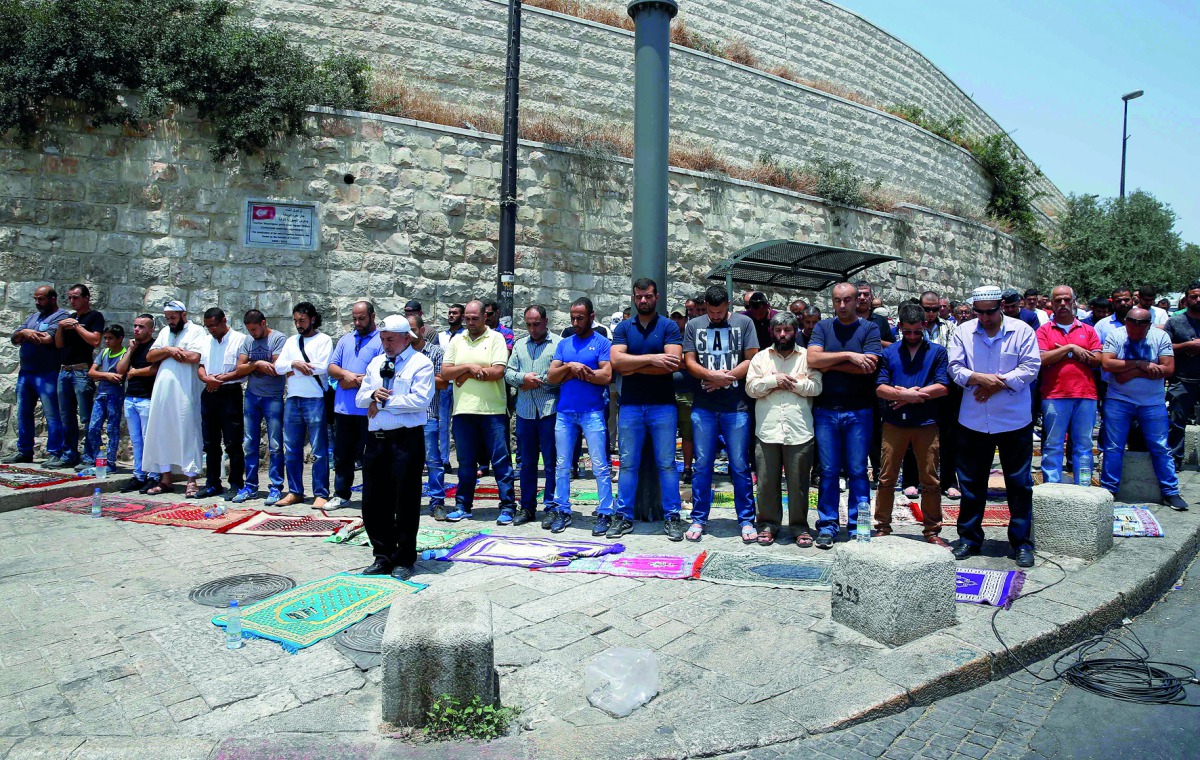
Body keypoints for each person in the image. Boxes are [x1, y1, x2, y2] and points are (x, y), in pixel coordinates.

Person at [947, 286, 1041, 568]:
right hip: (974, 419)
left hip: (1013, 420)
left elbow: (1030, 367)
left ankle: (1022, 542)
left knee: (1019, 483)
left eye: (991, 312)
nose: (986, 318)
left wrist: (990, 385)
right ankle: (969, 537)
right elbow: (955, 368)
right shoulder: (963, 332)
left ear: (1001, 306)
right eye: (980, 313)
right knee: (973, 483)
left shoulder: (1022, 330)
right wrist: (983, 379)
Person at [357, 315, 436, 581]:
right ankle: (383, 555)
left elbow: (420, 401)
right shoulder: (376, 363)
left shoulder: (420, 363)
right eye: (382, 339)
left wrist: (380, 403)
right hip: (376, 440)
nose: (386, 344)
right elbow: (359, 398)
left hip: (405, 440)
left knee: (405, 500)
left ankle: (404, 558)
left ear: (406, 338)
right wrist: (370, 396)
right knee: (373, 501)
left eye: (390, 339)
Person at [807, 282, 882, 549]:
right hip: (826, 411)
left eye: (847, 300)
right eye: (837, 300)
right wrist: (850, 355)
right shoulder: (823, 327)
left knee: (858, 472)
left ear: (856, 301)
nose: (842, 305)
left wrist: (831, 364)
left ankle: (857, 526)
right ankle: (827, 525)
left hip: (859, 412)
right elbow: (813, 360)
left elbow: (869, 368)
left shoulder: (869, 328)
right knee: (827, 472)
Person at [682, 285, 759, 542]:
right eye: (711, 311)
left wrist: (723, 379)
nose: (715, 316)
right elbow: (689, 362)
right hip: (704, 407)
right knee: (702, 464)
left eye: (719, 311)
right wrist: (710, 376)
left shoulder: (744, 323)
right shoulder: (694, 325)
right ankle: (698, 518)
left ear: (728, 305)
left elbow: (752, 360)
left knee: (739, 465)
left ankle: (746, 519)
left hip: (735, 407)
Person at [610, 278, 685, 540]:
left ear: (657, 297)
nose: (643, 300)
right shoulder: (623, 327)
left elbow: (674, 363)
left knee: (666, 464)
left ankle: (673, 516)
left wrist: (634, 365)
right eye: (639, 296)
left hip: (663, 406)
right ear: (634, 297)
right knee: (628, 464)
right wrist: (653, 359)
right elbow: (617, 363)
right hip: (630, 405)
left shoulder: (668, 327)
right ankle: (623, 517)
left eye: (648, 296)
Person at [875, 304, 950, 545]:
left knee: (929, 479)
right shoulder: (890, 353)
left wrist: (910, 395)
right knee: (886, 477)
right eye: (907, 332)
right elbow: (880, 387)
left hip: (926, 423)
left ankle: (932, 530)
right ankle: (883, 527)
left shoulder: (937, 352)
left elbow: (943, 386)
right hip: (894, 423)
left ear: (924, 327)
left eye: (917, 332)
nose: (912, 337)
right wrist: (905, 396)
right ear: (900, 328)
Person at [746, 311, 821, 546]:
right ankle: (768, 525)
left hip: (799, 431)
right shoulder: (760, 358)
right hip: (768, 431)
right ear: (772, 332)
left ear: (795, 331)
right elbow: (751, 388)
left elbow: (816, 387)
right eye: (778, 330)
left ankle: (799, 527)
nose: (782, 335)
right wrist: (772, 381)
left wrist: (792, 383)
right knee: (767, 483)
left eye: (787, 330)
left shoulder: (808, 357)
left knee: (798, 484)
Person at [1100, 307, 1188, 510]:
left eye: (1140, 328)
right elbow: (1107, 364)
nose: (1135, 331)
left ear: (1148, 325)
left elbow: (1168, 368)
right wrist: (1142, 364)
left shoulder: (1160, 336)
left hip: (1152, 402)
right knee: (1113, 447)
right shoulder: (1116, 335)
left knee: (1160, 446)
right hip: (1119, 399)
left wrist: (1130, 372)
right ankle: (1109, 489)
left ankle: (1170, 491)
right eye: (1131, 325)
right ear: (1127, 322)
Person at [442, 300, 517, 521]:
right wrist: (467, 368)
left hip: (492, 411)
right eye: (467, 318)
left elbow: (498, 372)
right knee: (465, 463)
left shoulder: (496, 338)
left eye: (475, 318)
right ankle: (463, 506)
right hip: (463, 411)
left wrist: (463, 376)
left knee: (501, 461)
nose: (471, 322)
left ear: (485, 317)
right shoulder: (457, 340)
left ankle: (507, 507)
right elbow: (446, 373)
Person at [546, 298, 615, 534]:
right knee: (562, 464)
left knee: (600, 465)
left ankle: (606, 511)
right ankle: (562, 509)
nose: (575, 322)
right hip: (565, 412)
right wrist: (570, 368)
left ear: (591, 317)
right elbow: (552, 377)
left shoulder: (602, 343)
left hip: (592, 412)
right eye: (572, 318)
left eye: (580, 318)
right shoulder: (564, 344)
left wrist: (576, 372)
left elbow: (606, 376)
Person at [1036, 287, 1101, 484]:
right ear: (1052, 304)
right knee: (1053, 444)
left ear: (1074, 301)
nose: (1062, 304)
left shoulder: (1088, 330)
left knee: (1083, 444)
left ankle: (1084, 485)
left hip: (1085, 394)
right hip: (1055, 395)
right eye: (1058, 301)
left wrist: (1059, 353)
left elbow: (1098, 359)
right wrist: (1071, 348)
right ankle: (1052, 486)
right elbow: (1041, 358)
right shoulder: (1044, 330)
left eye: (1066, 300)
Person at [142, 301, 206, 496]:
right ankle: (165, 479)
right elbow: (151, 356)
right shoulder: (165, 332)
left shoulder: (196, 331)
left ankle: (191, 479)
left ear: (183, 315)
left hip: (185, 389)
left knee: (187, 430)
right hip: (163, 390)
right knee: (162, 429)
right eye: (167, 318)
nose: (170, 321)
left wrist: (171, 353)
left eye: (173, 317)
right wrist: (169, 351)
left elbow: (194, 356)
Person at [504, 305, 560, 526]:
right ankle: (527, 507)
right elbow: (508, 372)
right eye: (528, 324)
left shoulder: (558, 344)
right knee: (526, 463)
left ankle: (552, 506)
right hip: (526, 412)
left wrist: (539, 380)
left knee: (551, 462)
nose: (533, 329)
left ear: (546, 321)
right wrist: (522, 378)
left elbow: (561, 373)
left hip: (549, 410)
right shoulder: (519, 345)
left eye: (536, 324)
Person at [274, 302, 332, 508]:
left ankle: (321, 493)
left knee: (318, 449)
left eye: (302, 320)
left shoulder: (324, 340)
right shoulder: (291, 341)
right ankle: (295, 491)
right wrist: (293, 364)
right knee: (291, 448)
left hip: (315, 398)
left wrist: (294, 368)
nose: (298, 324)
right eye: (296, 321)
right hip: (293, 399)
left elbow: (322, 367)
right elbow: (278, 367)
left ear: (313, 319)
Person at [326, 301, 382, 509]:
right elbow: (332, 367)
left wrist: (355, 381)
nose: (357, 323)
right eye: (355, 318)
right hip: (343, 409)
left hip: (368, 409)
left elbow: (378, 372)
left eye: (362, 318)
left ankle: (373, 495)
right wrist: (347, 375)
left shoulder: (380, 341)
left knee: (372, 456)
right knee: (343, 455)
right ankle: (341, 493)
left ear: (372, 317)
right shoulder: (345, 340)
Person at [6, 286, 69, 465]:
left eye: (41, 299)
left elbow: (48, 339)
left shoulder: (61, 316)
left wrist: (26, 335)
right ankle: (24, 450)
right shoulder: (34, 317)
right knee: (23, 413)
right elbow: (15, 337)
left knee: (52, 414)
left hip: (47, 373)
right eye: (35, 299)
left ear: (53, 299)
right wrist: (24, 333)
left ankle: (55, 451)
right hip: (26, 373)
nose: (37, 303)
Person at [232, 311, 287, 504]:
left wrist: (252, 365)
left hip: (273, 397)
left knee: (275, 444)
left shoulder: (278, 339)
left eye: (255, 329)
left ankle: (276, 487)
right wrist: (258, 363)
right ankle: (251, 486)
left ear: (263, 323)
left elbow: (276, 369)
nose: (252, 333)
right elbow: (239, 368)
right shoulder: (248, 341)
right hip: (252, 397)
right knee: (249, 443)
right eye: (249, 330)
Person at [196, 308, 249, 500]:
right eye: (208, 326)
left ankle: (236, 483)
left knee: (233, 442)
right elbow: (201, 367)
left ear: (224, 321)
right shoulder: (206, 341)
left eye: (214, 325)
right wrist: (206, 379)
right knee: (210, 442)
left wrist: (219, 379)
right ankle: (212, 483)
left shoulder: (240, 339)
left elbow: (242, 369)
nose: (211, 329)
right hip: (209, 392)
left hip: (230, 393)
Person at [55, 284, 105, 469]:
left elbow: (95, 340)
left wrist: (76, 326)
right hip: (64, 370)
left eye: (76, 297)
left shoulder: (94, 316)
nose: (72, 301)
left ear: (86, 298)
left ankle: (90, 456)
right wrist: (61, 327)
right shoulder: (69, 318)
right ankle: (69, 454)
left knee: (86, 415)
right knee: (66, 415)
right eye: (70, 297)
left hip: (81, 371)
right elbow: (59, 345)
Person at [409, 313, 449, 517]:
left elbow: (443, 382)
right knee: (407, 462)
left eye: (413, 330)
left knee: (433, 461)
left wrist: (416, 378)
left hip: (427, 415)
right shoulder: (402, 353)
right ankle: (408, 502)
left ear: (422, 330)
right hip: (404, 416)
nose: (409, 334)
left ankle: (437, 502)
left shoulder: (435, 352)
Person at [116, 315, 158, 492]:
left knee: (149, 438)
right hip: (130, 397)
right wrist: (130, 351)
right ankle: (139, 474)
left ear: (150, 329)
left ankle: (153, 475)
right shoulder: (133, 347)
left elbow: (154, 369)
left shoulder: (155, 347)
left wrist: (136, 372)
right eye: (135, 326)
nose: (136, 329)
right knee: (136, 439)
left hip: (146, 398)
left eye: (141, 327)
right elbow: (120, 369)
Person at [1166, 282, 1200, 469]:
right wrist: (1188, 345)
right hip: (1182, 380)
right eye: (1194, 296)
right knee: (1177, 422)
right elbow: (1164, 348)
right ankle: (1174, 461)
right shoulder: (1175, 322)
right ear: (1186, 299)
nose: (1198, 300)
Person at [85, 325, 126, 475]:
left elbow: (120, 375)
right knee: (93, 428)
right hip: (101, 394)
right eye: (105, 338)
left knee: (112, 429)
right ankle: (99, 459)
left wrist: (100, 374)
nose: (107, 341)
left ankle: (110, 461)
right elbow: (91, 372)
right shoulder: (104, 353)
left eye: (110, 338)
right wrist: (107, 375)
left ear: (120, 339)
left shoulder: (124, 354)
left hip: (114, 396)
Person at [436, 303, 465, 469]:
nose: (451, 315)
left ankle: (464, 460)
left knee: (461, 424)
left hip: (461, 385)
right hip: (444, 385)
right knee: (443, 423)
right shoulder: (440, 337)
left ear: (462, 317)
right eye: (450, 313)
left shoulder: (466, 336)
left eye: (455, 313)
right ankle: (444, 459)